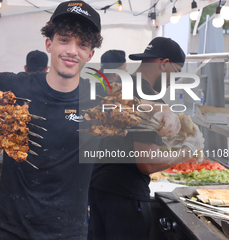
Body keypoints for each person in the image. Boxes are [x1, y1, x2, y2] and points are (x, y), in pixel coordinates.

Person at [0, 2, 182, 239]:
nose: (71, 51)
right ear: (49, 43)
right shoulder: (14, 87)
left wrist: (165, 112)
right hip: (10, 230)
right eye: (64, 40)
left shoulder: (101, 96)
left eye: (82, 45)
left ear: (90, 54)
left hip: (69, 233)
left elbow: (142, 104)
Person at [88, 37, 205, 240]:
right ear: (163, 64)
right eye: (176, 72)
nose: (173, 80)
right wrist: (189, 149)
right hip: (125, 198)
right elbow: (148, 163)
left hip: (99, 190)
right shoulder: (148, 98)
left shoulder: (122, 87)